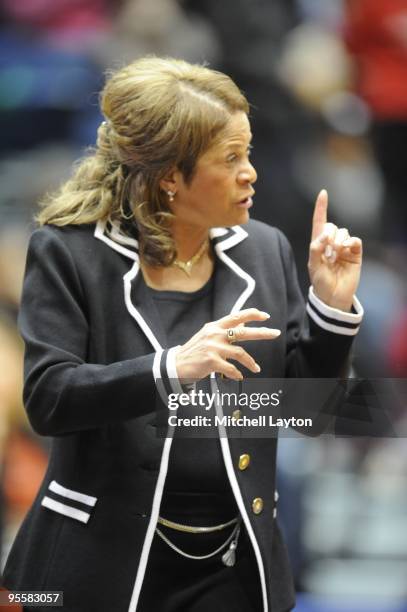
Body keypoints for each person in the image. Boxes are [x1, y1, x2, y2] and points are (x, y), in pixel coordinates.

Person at [2, 57, 363, 612]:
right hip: (96, 562)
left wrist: (332, 309)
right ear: (170, 175)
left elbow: (305, 414)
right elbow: (50, 399)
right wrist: (169, 368)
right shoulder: (69, 251)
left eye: (249, 152)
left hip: (235, 565)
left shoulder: (264, 248)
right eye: (232, 157)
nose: (252, 172)